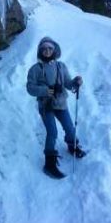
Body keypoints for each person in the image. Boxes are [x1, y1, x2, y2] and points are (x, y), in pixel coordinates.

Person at [26, 36, 86, 179]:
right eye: (44, 49)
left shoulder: (61, 66)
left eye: (50, 48)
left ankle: (73, 146)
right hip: (45, 105)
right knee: (52, 132)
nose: (47, 51)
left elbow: (68, 84)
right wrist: (45, 91)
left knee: (70, 128)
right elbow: (30, 88)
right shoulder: (35, 69)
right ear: (40, 51)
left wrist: (76, 82)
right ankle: (49, 164)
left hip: (60, 103)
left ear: (54, 50)